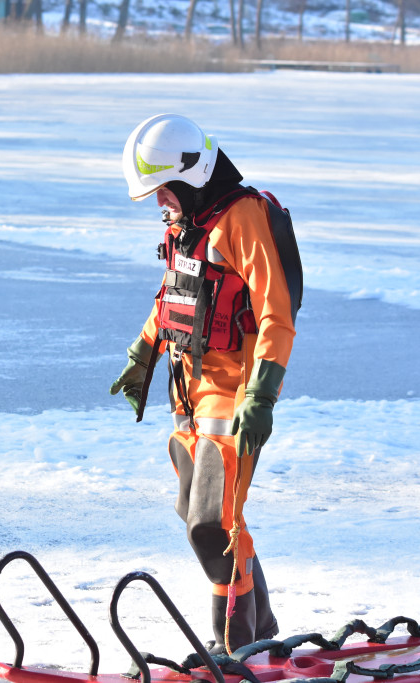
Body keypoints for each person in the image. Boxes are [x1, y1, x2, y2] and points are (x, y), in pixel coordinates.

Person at [110, 114, 301, 654]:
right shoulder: (187, 224)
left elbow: (277, 314)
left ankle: (232, 644)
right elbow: (172, 298)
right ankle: (261, 630)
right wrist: (141, 353)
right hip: (186, 396)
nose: (157, 202)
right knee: (201, 515)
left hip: (232, 396)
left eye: (162, 189)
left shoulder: (244, 218)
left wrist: (262, 396)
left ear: (190, 176)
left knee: (212, 524)